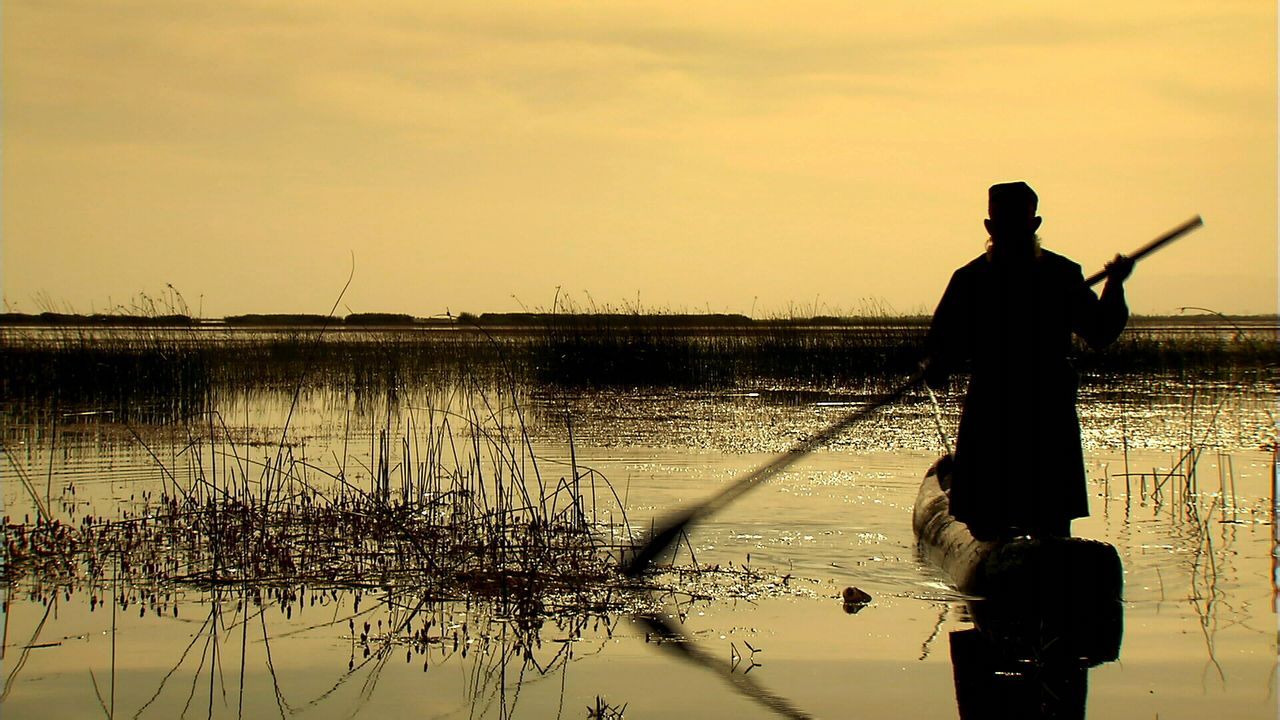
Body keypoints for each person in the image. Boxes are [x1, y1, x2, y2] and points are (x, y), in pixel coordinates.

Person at [924, 181, 1134, 541]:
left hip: (1026, 415)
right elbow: (1101, 332)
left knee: (1025, 523)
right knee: (1034, 524)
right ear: (1033, 224)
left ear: (991, 228)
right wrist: (1114, 284)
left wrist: (1113, 285)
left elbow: (1099, 333)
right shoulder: (1055, 276)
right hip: (1023, 414)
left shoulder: (976, 279)